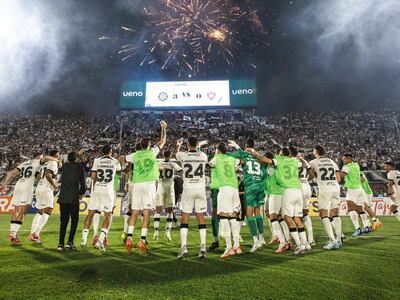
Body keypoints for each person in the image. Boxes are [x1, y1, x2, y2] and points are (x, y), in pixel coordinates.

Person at [251, 147, 310, 256]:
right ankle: (304, 243)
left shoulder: (272, 167)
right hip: (297, 190)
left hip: (279, 193)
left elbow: (264, 161)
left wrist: (254, 153)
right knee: (290, 218)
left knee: (277, 218)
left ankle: (286, 242)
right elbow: (303, 165)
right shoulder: (294, 161)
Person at [122, 121, 167, 254]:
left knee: (135, 212)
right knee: (146, 212)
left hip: (137, 185)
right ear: (148, 145)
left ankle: (129, 237)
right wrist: (163, 128)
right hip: (149, 185)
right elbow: (163, 141)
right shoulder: (152, 152)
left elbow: (122, 158)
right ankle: (142, 240)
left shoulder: (134, 155)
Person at [0, 153, 56, 245]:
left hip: (18, 185)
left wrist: (4, 184)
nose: (42, 159)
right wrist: (57, 160)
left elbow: (13, 172)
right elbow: (46, 158)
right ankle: (13, 235)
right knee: (23, 212)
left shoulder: (25, 163)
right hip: (27, 187)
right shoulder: (38, 162)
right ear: (38, 157)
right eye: (41, 157)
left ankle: (12, 233)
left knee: (16, 211)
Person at [227, 139, 267, 253]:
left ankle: (256, 241)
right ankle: (262, 237)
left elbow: (232, 154)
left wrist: (235, 146)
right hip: (260, 185)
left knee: (249, 214)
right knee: (258, 212)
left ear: (246, 146)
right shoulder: (258, 156)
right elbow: (264, 171)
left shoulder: (244, 154)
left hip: (251, 186)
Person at [81, 145, 121, 252]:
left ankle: (83, 240)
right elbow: (119, 170)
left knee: (90, 214)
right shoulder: (115, 161)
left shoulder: (97, 160)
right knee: (108, 215)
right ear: (111, 151)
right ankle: (101, 241)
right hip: (108, 190)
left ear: (102, 152)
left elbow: (93, 176)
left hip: (97, 189)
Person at [176, 136, 208, 259]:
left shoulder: (183, 155)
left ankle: (184, 247)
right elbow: (198, 152)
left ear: (188, 144)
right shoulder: (203, 156)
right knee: (200, 217)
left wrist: (178, 144)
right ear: (197, 144)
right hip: (200, 189)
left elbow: (177, 152)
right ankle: (203, 246)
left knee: (185, 218)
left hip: (188, 189)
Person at [209, 142, 241, 258]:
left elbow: (209, 164)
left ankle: (228, 248)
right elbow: (241, 160)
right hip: (234, 189)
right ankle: (236, 245)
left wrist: (215, 155)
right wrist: (237, 147)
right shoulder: (232, 158)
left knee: (223, 216)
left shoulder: (216, 158)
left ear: (218, 149)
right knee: (233, 216)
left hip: (225, 189)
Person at [308, 145, 343, 249]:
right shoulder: (332, 162)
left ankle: (332, 240)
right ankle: (339, 240)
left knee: (324, 215)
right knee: (335, 215)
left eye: (314, 151)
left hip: (324, 189)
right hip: (336, 188)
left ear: (316, 152)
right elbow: (338, 178)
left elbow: (311, 176)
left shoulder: (313, 162)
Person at [29, 149, 61, 244]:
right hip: (46, 189)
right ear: (56, 155)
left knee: (40, 211)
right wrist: (54, 185)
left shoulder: (44, 163)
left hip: (39, 187)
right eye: (58, 155)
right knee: (49, 209)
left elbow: (37, 174)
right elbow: (48, 174)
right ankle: (36, 234)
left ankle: (32, 233)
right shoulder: (53, 163)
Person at [57, 151, 86, 251]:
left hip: (63, 197)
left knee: (63, 221)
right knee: (74, 220)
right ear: (76, 158)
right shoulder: (79, 167)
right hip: (74, 198)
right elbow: (83, 184)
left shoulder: (64, 166)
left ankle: (60, 244)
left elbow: (61, 163)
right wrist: (81, 193)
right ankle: (70, 242)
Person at [337, 154, 370, 237]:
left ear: (349, 158)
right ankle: (366, 227)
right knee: (360, 208)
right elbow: (359, 177)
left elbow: (340, 177)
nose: (343, 160)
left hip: (352, 190)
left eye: (344, 159)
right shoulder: (356, 165)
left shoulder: (346, 167)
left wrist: (337, 171)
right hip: (360, 189)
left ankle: (357, 228)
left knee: (350, 208)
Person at [153, 150, 182, 241]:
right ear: (170, 155)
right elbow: (180, 170)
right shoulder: (173, 164)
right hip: (169, 188)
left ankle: (156, 232)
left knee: (158, 211)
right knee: (170, 211)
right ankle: (167, 233)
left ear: (163, 155)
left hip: (160, 187)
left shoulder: (158, 164)